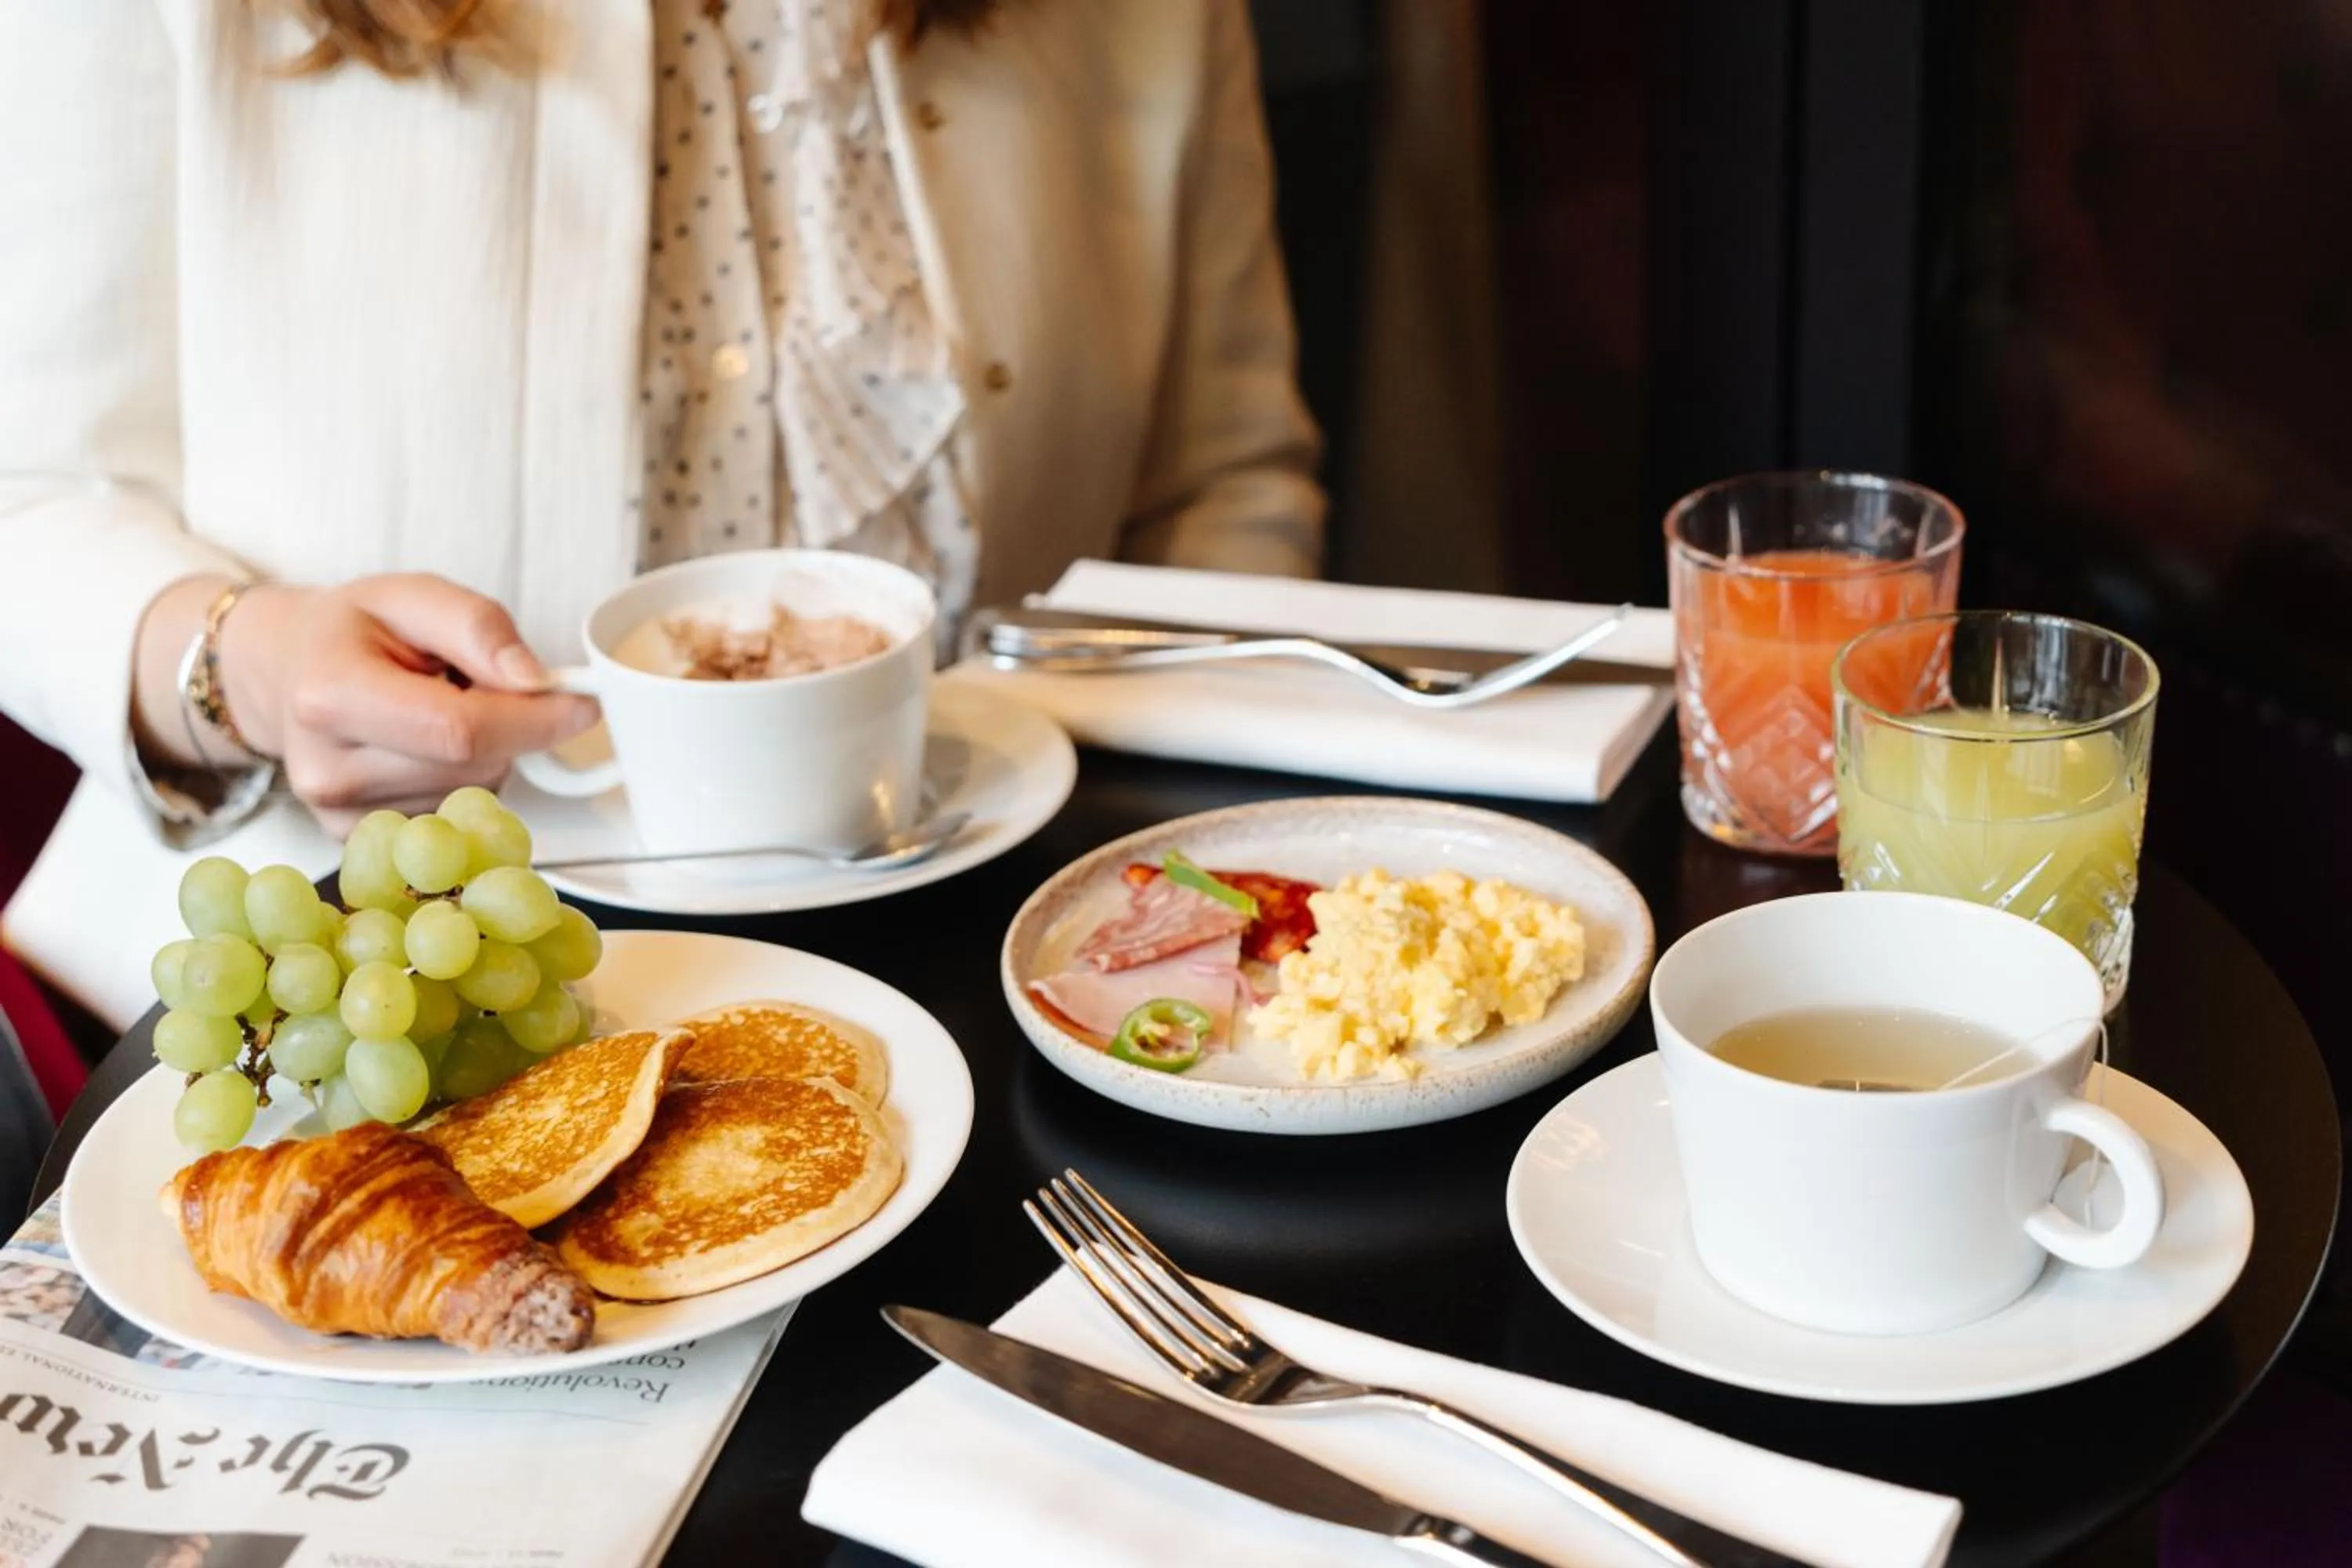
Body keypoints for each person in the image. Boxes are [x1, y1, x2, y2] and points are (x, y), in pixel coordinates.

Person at [0, 0, 1323, 1025]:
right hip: (408, 998)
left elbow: (1224, 483)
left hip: (1029, 984)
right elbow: (29, 495)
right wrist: (239, 663)